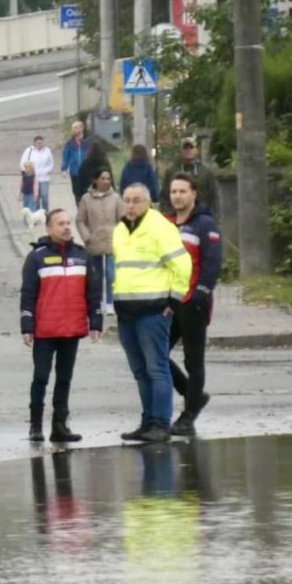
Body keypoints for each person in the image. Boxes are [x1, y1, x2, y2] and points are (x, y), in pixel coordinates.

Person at [113, 185, 192, 443]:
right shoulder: (121, 230)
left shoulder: (160, 227)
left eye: (137, 200)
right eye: (127, 200)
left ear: (148, 202)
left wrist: (175, 300)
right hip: (127, 312)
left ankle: (161, 422)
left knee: (156, 368)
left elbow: (182, 264)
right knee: (139, 370)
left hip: (154, 310)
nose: (131, 205)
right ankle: (148, 421)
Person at [21, 208, 102, 442]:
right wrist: (27, 325)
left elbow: (93, 292)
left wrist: (95, 321)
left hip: (72, 329)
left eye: (68, 223)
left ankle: (60, 425)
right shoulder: (37, 257)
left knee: (64, 378)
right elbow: (28, 294)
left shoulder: (81, 255)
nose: (66, 227)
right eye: (60, 224)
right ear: (49, 228)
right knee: (41, 377)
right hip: (45, 330)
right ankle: (35, 426)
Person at [166, 173, 222, 437]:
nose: (177, 196)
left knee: (193, 359)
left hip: (193, 301)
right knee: (156, 354)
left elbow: (212, 263)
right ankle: (193, 394)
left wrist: (201, 292)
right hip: (170, 300)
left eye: (182, 191)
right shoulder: (165, 223)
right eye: (174, 191)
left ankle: (189, 416)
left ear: (193, 194)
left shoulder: (205, 224)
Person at [76, 166, 124, 315]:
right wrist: (86, 236)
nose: (105, 181)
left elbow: (122, 219)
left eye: (108, 179)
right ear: (95, 180)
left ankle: (110, 302)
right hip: (94, 241)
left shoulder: (116, 198)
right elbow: (80, 220)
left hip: (112, 241)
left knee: (111, 273)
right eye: (102, 178)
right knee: (96, 274)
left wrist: (121, 236)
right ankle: (98, 301)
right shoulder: (86, 199)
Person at [160, 137, 219, 215]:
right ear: (181, 151)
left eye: (191, 147)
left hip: (201, 216)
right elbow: (164, 196)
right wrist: (169, 213)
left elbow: (214, 197)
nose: (188, 150)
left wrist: (215, 220)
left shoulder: (206, 172)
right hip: (178, 217)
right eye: (185, 148)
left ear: (196, 150)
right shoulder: (171, 172)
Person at [20, 135, 54, 212]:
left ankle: (46, 212)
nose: (40, 144)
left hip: (44, 177)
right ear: (34, 143)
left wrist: (47, 171)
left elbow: (51, 163)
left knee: (44, 195)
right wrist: (27, 172)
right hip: (33, 177)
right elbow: (23, 163)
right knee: (36, 196)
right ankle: (37, 213)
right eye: (38, 143)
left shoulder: (47, 151)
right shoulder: (29, 151)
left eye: (41, 143)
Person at [61, 121, 91, 206]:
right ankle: (80, 209)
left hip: (87, 172)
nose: (73, 130)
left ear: (81, 128)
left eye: (75, 127)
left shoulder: (88, 142)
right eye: (73, 128)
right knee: (77, 192)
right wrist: (64, 168)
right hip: (75, 172)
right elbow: (66, 156)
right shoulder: (70, 143)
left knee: (87, 192)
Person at [76, 140, 112, 206]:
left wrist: (78, 197)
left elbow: (80, 181)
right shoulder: (105, 163)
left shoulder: (85, 164)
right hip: (104, 194)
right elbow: (110, 179)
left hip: (88, 195)